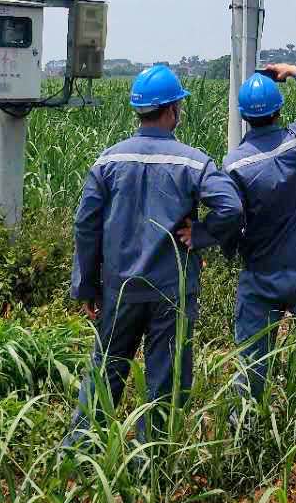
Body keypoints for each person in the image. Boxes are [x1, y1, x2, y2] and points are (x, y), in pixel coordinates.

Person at [64, 64, 243, 449]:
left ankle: (79, 454)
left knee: (107, 369)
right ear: (172, 110)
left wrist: (86, 287)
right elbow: (232, 208)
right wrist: (204, 234)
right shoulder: (194, 162)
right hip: (171, 291)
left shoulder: (108, 161)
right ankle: (153, 460)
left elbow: (85, 225)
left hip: (118, 288)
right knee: (166, 376)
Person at [194, 62, 296, 411]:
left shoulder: (234, 165)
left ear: (244, 116)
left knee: (252, 363)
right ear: (278, 110)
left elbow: (228, 215)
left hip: (261, 275)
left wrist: (201, 235)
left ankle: (246, 432)